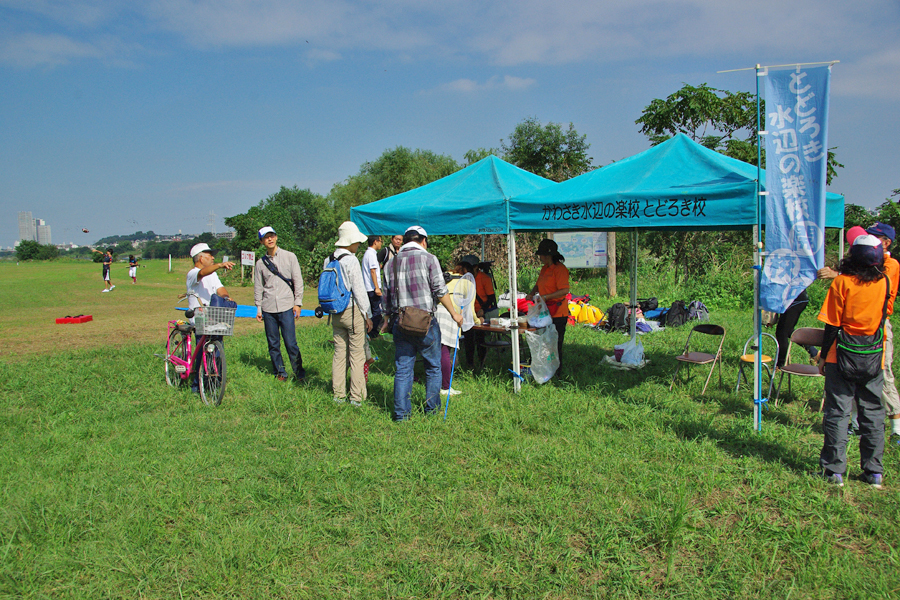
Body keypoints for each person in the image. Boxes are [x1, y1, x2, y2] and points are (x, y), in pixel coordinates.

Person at [816, 234, 890, 488]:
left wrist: (823, 356)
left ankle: (833, 470)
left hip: (842, 355)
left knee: (838, 412)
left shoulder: (842, 283)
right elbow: (884, 314)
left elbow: (832, 325)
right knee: (873, 413)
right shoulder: (884, 282)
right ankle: (874, 472)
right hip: (872, 356)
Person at [382, 225, 463, 421]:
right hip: (426, 322)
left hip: (401, 322)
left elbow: (386, 296)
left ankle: (401, 415)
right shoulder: (429, 258)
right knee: (433, 367)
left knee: (403, 369)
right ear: (423, 241)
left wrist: (385, 320)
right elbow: (440, 290)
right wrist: (454, 314)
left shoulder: (390, 264)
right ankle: (432, 412)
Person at [327, 222, 373, 406]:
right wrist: (367, 314)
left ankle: (338, 395)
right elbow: (359, 291)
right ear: (351, 240)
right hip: (352, 311)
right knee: (357, 355)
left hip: (335, 312)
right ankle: (357, 397)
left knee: (339, 354)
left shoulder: (329, 259)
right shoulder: (351, 260)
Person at [253, 226, 306, 382]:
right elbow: (258, 286)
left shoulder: (290, 257)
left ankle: (299, 372)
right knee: (273, 343)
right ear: (262, 241)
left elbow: (298, 280)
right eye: (266, 237)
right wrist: (258, 307)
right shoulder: (260, 264)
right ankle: (280, 372)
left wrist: (298, 303)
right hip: (268, 307)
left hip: (287, 305)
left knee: (291, 342)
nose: (270, 239)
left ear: (276, 237)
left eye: (272, 236)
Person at [864, 223, 900, 444]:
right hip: (862, 322)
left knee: (883, 371)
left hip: (879, 323)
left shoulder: (890, 264)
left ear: (885, 242)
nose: (868, 240)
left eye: (873, 237)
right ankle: (858, 422)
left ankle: (897, 427)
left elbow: (873, 282)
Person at [187, 243, 235, 392]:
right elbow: (202, 273)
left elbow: (220, 288)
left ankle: (215, 382)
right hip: (200, 317)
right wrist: (220, 265)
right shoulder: (193, 273)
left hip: (214, 316)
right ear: (201, 258)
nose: (213, 257)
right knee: (202, 352)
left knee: (216, 350)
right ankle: (198, 385)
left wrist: (226, 297)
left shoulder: (213, 275)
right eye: (210, 255)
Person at [525, 239, 570, 372]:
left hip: (558, 312)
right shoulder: (545, 268)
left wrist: (545, 297)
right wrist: (532, 293)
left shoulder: (560, 269)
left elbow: (564, 290)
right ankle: (545, 369)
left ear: (548, 255)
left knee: (555, 343)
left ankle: (557, 371)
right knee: (544, 342)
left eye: (541, 255)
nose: (540, 258)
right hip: (544, 312)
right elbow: (538, 284)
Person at [436, 270, 479, 396]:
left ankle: (436, 382)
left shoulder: (445, 276)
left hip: (435, 312)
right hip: (450, 314)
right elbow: (470, 310)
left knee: (437, 349)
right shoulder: (468, 282)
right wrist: (478, 321)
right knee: (445, 350)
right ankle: (445, 387)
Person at [362, 235, 384, 337]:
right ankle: (373, 333)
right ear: (375, 242)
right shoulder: (371, 254)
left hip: (368, 287)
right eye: (380, 241)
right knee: (376, 312)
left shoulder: (369, 254)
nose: (381, 243)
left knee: (371, 311)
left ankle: (369, 332)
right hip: (372, 288)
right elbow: (372, 271)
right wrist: (377, 287)